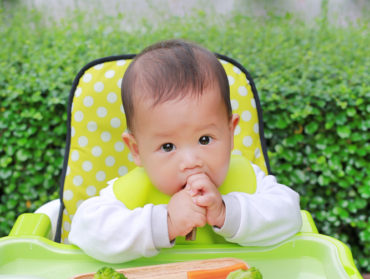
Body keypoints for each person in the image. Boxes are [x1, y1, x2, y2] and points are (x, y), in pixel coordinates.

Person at [69, 39, 302, 263]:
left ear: (231, 134)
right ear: (137, 150)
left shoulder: (245, 177)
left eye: (204, 139)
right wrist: (164, 223)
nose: (191, 162)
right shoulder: (132, 192)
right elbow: (84, 231)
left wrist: (226, 212)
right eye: (167, 146)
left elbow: (290, 216)